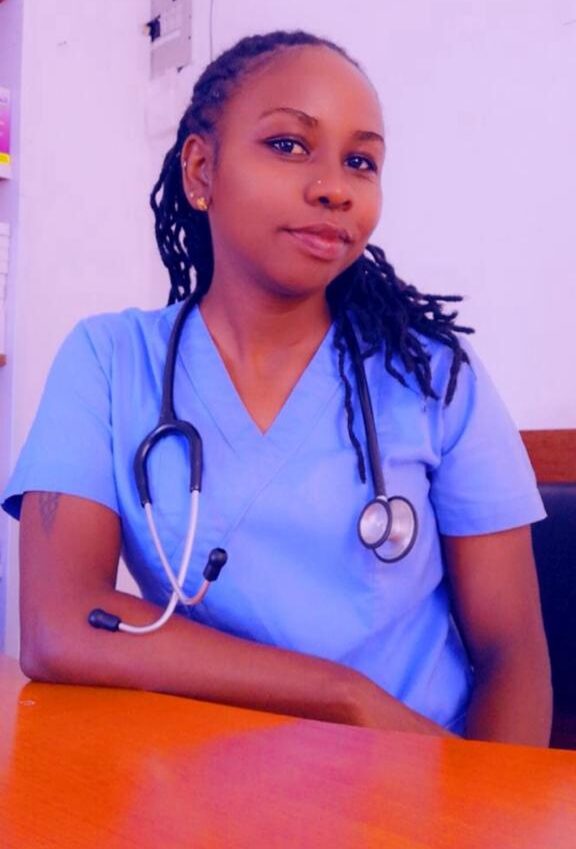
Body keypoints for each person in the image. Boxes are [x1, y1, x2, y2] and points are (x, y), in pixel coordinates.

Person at [2, 31, 552, 744]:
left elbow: (513, 652)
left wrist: (484, 797)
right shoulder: (109, 362)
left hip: (422, 777)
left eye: (361, 161)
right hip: (206, 775)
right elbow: (58, 624)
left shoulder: (434, 376)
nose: (334, 187)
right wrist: (343, 697)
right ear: (201, 169)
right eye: (289, 145)